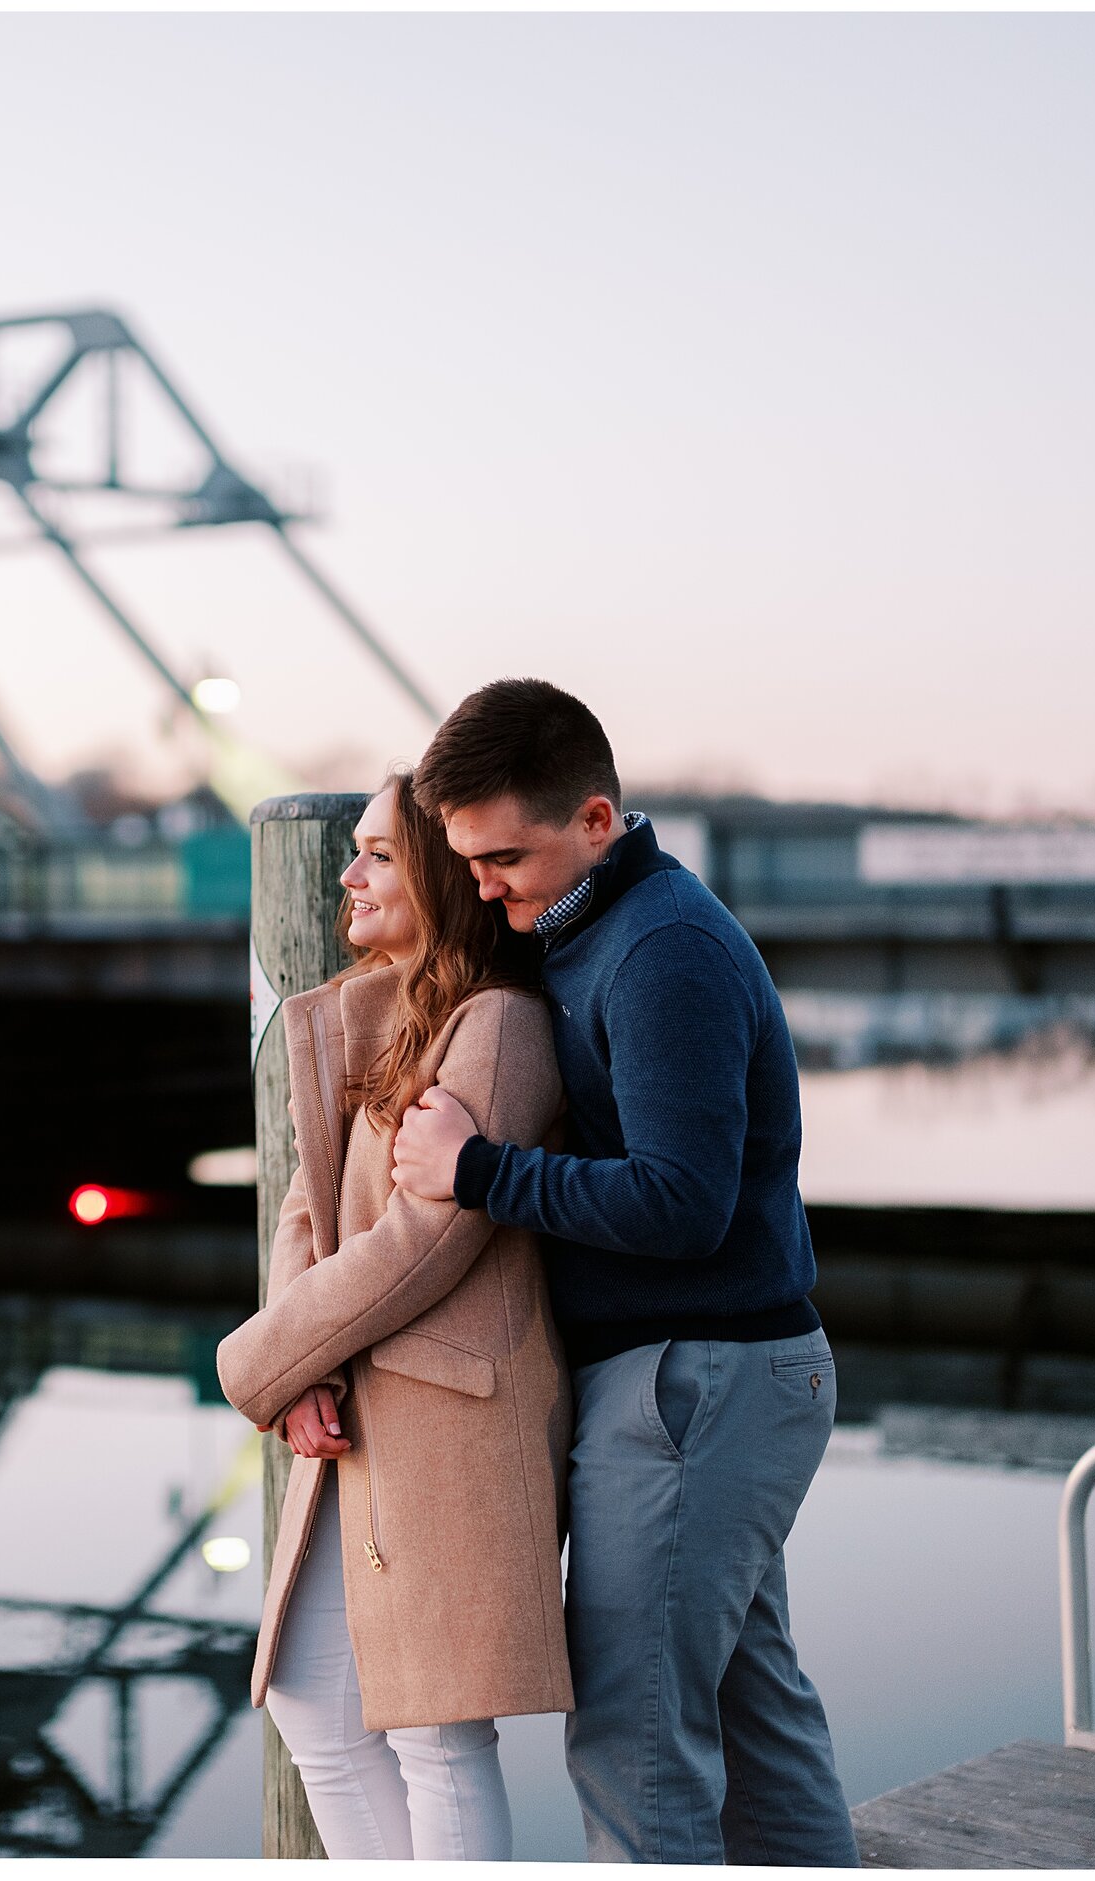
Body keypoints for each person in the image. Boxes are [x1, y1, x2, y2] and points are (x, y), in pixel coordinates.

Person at [389, 677, 861, 1866]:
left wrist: (476, 1169)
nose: (484, 888)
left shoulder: (661, 950)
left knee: (632, 1744)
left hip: (694, 1386)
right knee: (756, 1720)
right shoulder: (593, 931)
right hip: (717, 1380)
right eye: (464, 860)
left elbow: (681, 1205)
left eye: (504, 858)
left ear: (596, 819)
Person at [215, 771, 572, 1861]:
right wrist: (305, 1371)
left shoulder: (499, 1027)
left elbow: (427, 1237)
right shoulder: (376, 1013)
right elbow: (305, 1206)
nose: (348, 871)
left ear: (440, 876)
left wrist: (263, 1362)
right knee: (315, 1700)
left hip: (450, 1416)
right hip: (358, 1401)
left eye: (376, 852)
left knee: (435, 1731)